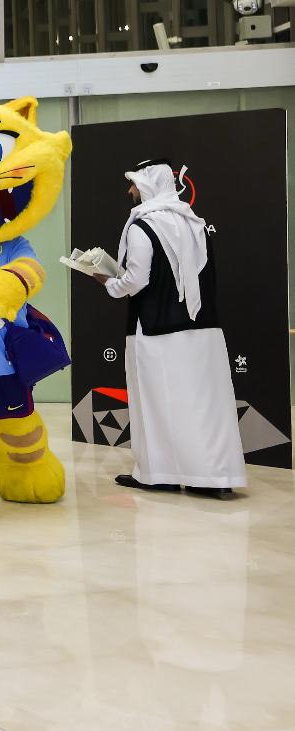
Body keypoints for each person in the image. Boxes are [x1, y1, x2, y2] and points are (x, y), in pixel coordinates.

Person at [93, 159, 246, 499]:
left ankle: (158, 475)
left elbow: (135, 281)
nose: (130, 191)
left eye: (134, 183)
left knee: (157, 405)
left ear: (147, 185)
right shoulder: (195, 223)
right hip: (203, 331)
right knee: (205, 405)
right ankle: (215, 478)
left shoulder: (142, 227)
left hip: (156, 333)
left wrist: (106, 282)